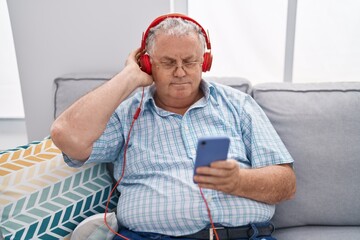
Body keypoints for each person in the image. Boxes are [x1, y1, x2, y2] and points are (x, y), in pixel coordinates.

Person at [51, 13, 296, 240]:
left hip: (245, 235)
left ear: (205, 62)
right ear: (147, 65)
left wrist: (238, 181)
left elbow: (286, 184)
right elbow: (66, 136)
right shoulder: (127, 113)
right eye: (167, 63)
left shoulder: (239, 105)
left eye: (190, 61)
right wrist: (129, 76)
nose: (180, 72)